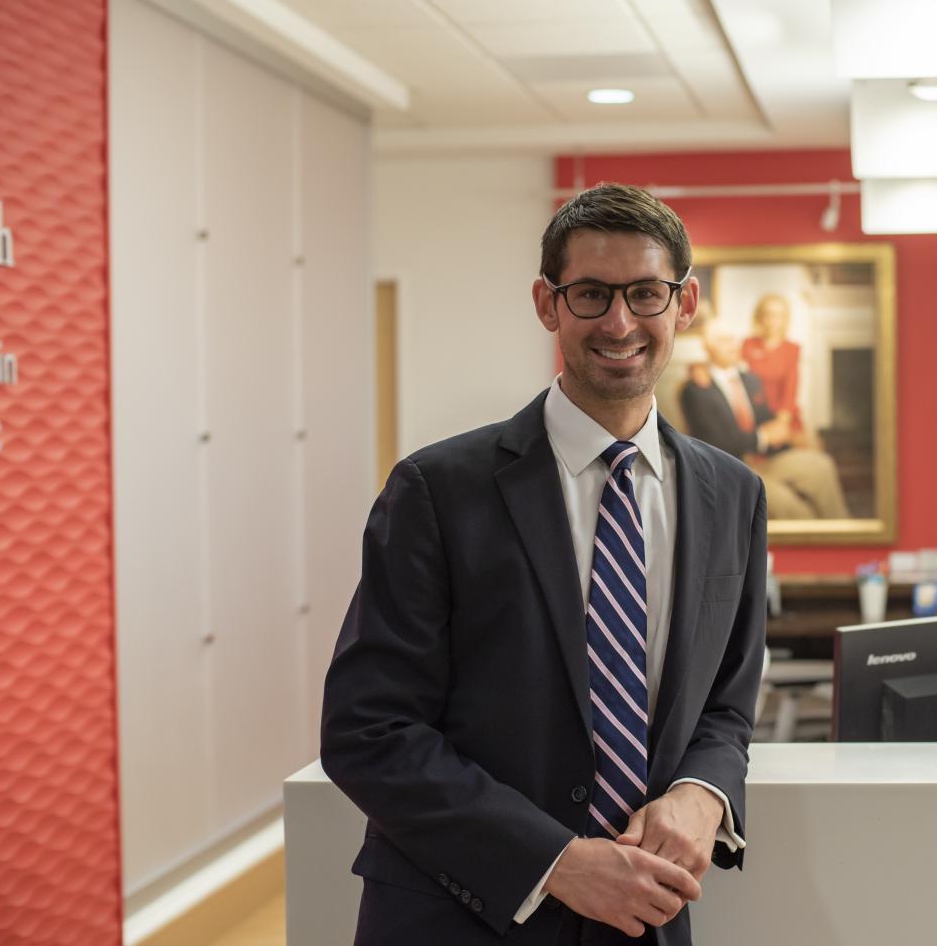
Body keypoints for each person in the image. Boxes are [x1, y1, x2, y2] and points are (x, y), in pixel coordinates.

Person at [321, 183, 767, 946]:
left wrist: (702, 792)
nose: (619, 322)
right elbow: (369, 728)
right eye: (591, 293)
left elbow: (725, 704)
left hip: (646, 918)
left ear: (685, 303)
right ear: (547, 303)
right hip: (457, 919)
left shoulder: (733, 494)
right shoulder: (437, 488)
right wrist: (554, 860)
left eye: (645, 293)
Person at [679, 316, 849, 522]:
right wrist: (763, 438)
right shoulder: (695, 390)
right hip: (731, 471)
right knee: (790, 506)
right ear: (708, 347)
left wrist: (788, 436)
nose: (733, 345)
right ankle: (818, 539)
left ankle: (845, 533)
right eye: (724, 340)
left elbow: (766, 421)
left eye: (734, 339)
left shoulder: (750, 380)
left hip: (764, 460)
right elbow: (716, 442)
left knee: (821, 466)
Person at [740, 293, 802, 434]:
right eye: (769, 314)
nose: (773, 320)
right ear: (760, 317)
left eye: (779, 315)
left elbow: (790, 392)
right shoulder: (748, 344)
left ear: (785, 319)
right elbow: (731, 373)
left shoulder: (792, 349)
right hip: (753, 416)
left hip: (782, 416)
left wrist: (780, 424)